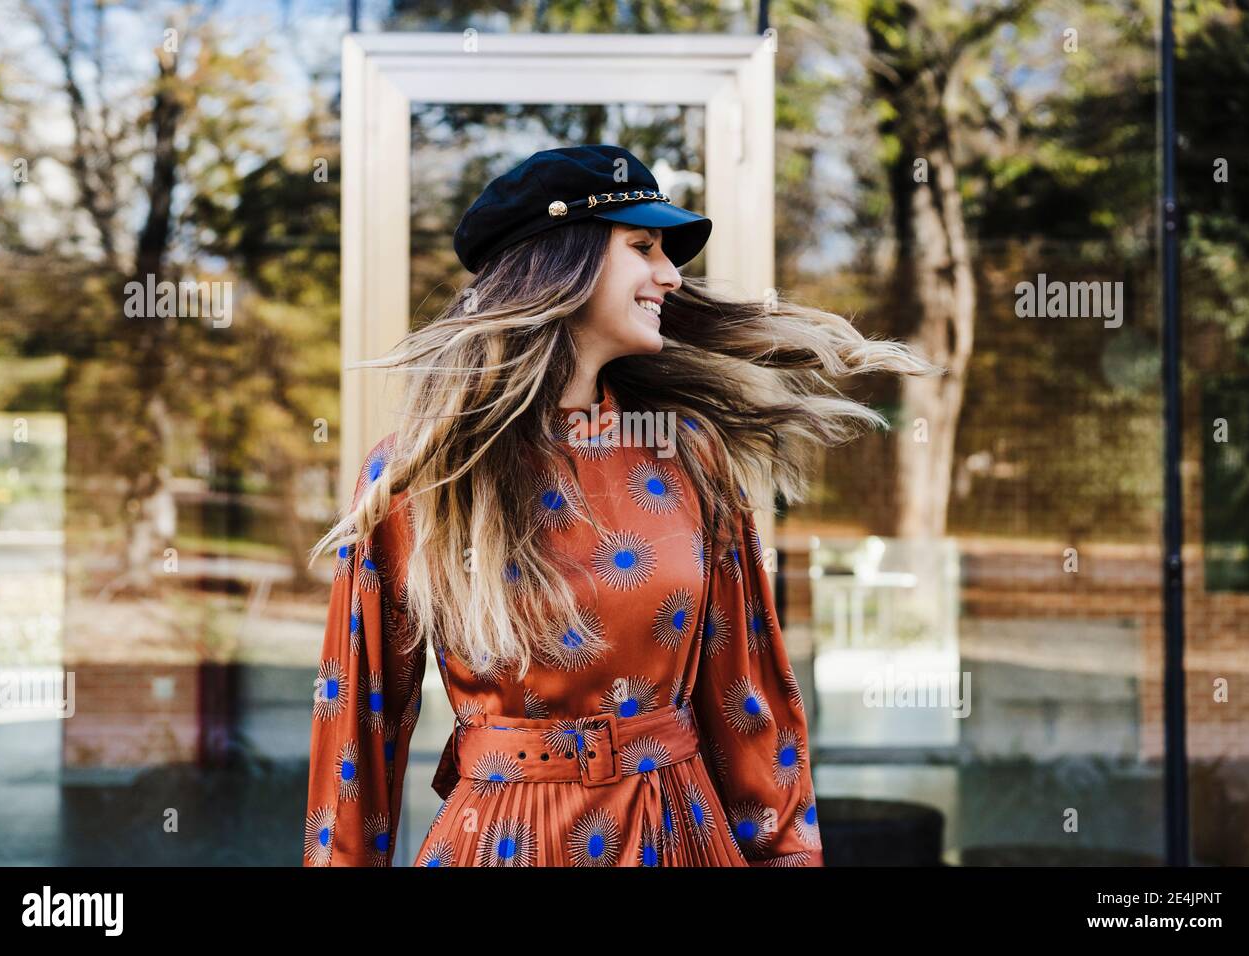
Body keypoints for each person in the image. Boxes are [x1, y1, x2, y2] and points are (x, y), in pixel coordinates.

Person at [301, 144, 940, 867]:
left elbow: (747, 700)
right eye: (643, 246)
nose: (669, 274)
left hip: (679, 837)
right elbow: (358, 728)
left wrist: (789, 856)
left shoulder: (690, 455)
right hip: (506, 844)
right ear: (560, 266)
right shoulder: (418, 474)